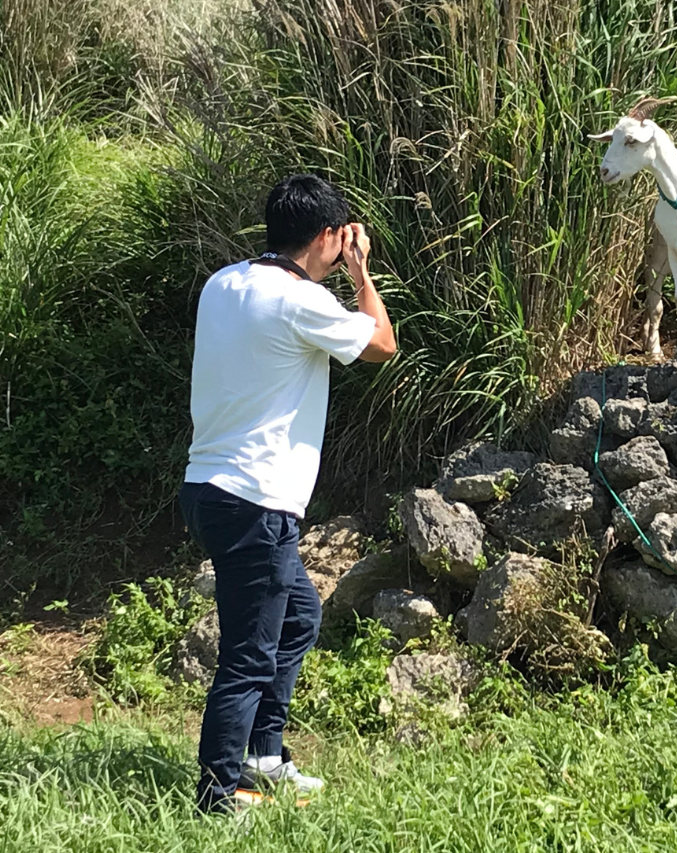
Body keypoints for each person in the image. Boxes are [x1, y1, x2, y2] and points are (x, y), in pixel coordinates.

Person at [178, 174, 396, 813]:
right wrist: (360, 276)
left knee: (298, 615)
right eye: (342, 236)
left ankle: (263, 756)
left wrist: (334, 265)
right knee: (247, 655)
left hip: (209, 489)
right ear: (329, 237)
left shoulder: (226, 283)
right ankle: (220, 794)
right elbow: (381, 343)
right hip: (256, 502)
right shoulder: (301, 302)